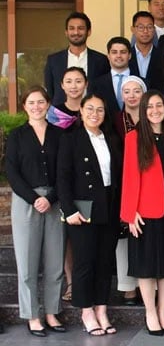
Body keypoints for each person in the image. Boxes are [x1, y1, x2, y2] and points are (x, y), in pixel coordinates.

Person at [120, 90, 164, 336]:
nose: (155, 110)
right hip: (145, 211)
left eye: (159, 105)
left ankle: (163, 311)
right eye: (150, 107)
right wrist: (129, 212)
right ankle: (150, 312)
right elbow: (128, 176)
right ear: (143, 110)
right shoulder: (133, 137)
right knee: (147, 266)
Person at [57, 93, 122, 336]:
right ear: (81, 112)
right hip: (82, 209)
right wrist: (69, 209)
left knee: (105, 262)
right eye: (90, 109)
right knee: (85, 262)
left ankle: (102, 309)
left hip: (109, 206)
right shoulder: (71, 139)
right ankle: (86, 311)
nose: (95, 114)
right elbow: (62, 178)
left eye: (100, 110)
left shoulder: (111, 138)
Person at [5, 86, 65, 337]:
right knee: (27, 264)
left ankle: (52, 312)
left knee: (55, 262)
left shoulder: (59, 135)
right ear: (24, 106)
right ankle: (32, 315)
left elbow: (65, 171)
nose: (37, 106)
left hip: (54, 201)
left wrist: (49, 198)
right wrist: (34, 198)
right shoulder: (16, 135)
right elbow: (11, 172)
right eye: (31, 102)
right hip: (25, 201)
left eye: (41, 102)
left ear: (48, 104)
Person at [113, 76, 147, 305]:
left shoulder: (152, 117)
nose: (132, 95)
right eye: (127, 91)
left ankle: (147, 284)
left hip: (149, 186)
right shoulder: (114, 121)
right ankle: (128, 287)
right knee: (124, 236)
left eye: (137, 91)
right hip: (121, 182)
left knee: (146, 235)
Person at [44, 11, 109, 105]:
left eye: (81, 28)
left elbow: (105, 91)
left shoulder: (101, 60)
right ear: (66, 32)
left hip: (92, 115)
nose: (76, 32)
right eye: (71, 28)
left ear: (89, 32)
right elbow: (50, 92)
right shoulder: (53, 60)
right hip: (61, 116)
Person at [91, 36, 132, 116]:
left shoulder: (143, 82)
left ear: (129, 55)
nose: (119, 55)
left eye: (123, 52)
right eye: (114, 52)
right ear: (108, 56)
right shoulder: (96, 84)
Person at [47, 66, 87, 131]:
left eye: (78, 81)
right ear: (62, 85)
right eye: (68, 81)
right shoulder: (54, 113)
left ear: (86, 84)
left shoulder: (91, 111)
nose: (73, 86)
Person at [129, 11, 159, 83]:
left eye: (149, 27)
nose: (145, 31)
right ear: (132, 29)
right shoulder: (126, 56)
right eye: (141, 27)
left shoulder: (162, 55)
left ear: (154, 29)